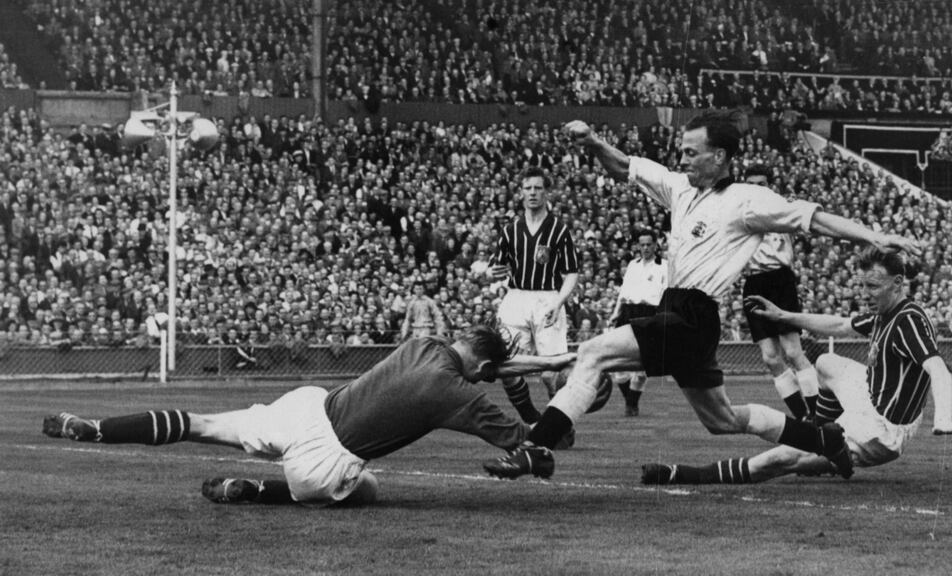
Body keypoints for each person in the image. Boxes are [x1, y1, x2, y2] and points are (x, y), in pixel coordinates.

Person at [483, 110, 920, 481]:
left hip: (694, 316)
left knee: (594, 352)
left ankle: (537, 447)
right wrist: (594, 141)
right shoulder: (678, 186)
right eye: (682, 151)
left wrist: (877, 235)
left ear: (720, 156)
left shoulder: (749, 200)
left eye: (691, 152)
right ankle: (822, 439)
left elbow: (817, 220)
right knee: (723, 421)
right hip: (679, 314)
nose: (682, 158)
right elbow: (625, 166)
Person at [42, 324, 575, 506]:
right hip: (328, 459)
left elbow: (481, 360)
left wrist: (544, 358)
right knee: (365, 490)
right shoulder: (463, 396)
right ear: (483, 367)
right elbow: (531, 443)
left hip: (303, 408)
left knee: (200, 423)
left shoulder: (425, 343)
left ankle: (95, 428)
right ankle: (259, 492)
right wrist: (561, 398)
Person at [641, 248, 952, 485]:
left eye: (873, 286)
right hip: (869, 396)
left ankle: (684, 474)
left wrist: (943, 417)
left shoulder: (908, 320)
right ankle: (824, 438)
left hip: (881, 429)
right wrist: (785, 317)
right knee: (826, 362)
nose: (866, 293)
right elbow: (840, 325)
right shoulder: (885, 313)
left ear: (898, 283)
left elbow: (939, 369)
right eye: (863, 285)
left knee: (781, 460)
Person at [483, 166, 580, 426]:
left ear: (547, 192)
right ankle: (532, 419)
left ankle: (559, 424)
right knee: (506, 365)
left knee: (552, 375)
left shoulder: (559, 230)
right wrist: (492, 273)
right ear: (521, 193)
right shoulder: (510, 230)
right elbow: (494, 269)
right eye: (528, 188)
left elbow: (571, 273)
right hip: (515, 299)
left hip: (548, 298)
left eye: (538, 188)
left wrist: (559, 302)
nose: (533, 193)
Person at [740, 164, 819, 421]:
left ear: (770, 186)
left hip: (780, 279)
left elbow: (809, 221)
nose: (756, 189)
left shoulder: (783, 208)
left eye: (761, 184)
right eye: (751, 184)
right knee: (771, 358)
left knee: (794, 352)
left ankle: (819, 414)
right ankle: (802, 417)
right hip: (753, 283)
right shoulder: (737, 213)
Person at [608, 229, 667, 417]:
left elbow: (667, 293)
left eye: (649, 244)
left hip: (650, 313)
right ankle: (631, 402)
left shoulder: (664, 266)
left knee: (643, 367)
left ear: (656, 245)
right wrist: (615, 313)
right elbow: (623, 292)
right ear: (637, 246)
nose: (645, 248)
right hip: (628, 312)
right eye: (642, 245)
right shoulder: (633, 265)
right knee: (619, 368)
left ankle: (631, 406)